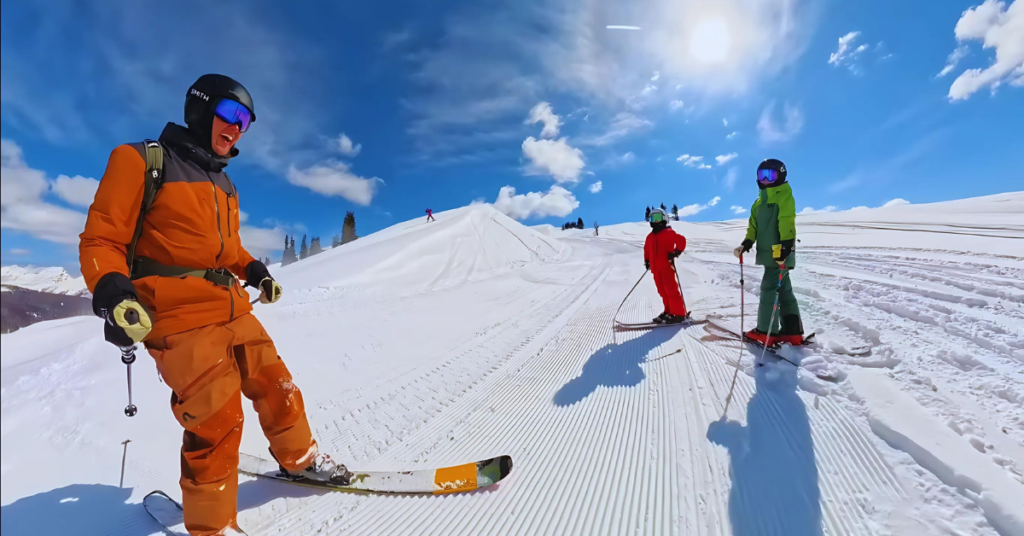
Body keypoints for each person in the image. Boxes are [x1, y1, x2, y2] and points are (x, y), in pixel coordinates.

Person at [79, 74, 349, 536]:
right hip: (176, 316)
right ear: (200, 109)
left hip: (232, 308)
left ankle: (300, 459)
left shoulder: (224, 185)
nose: (238, 128)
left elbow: (229, 251)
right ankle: (213, 527)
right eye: (231, 114)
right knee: (218, 417)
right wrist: (112, 291)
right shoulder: (140, 162)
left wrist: (255, 271)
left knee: (277, 383)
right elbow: (102, 237)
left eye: (246, 121)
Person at [733, 158, 804, 346]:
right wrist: (746, 243)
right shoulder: (758, 203)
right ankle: (792, 331)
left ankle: (766, 332)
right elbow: (753, 227)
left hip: (780, 252)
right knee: (785, 292)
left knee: (768, 289)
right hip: (769, 254)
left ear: (781, 175)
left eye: (770, 175)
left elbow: (786, 220)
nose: (765, 179)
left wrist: (785, 247)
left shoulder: (784, 195)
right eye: (761, 175)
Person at [644, 208, 688, 324]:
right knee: (662, 292)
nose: (656, 221)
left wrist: (676, 252)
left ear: (664, 219)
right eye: (653, 218)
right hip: (655, 269)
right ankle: (668, 311)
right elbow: (646, 249)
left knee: (671, 290)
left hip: (666, 267)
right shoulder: (650, 237)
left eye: (658, 218)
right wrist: (647, 260)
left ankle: (679, 314)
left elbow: (681, 240)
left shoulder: (668, 233)